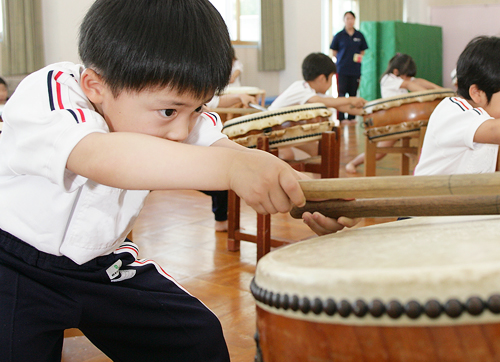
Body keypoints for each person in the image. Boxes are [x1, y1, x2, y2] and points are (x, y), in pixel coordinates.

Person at [0, 1, 356, 361]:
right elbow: (99, 156)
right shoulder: (51, 93)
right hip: (13, 265)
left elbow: (232, 153)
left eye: (198, 109)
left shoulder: (175, 115)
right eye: (169, 111)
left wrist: (309, 195)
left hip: (101, 267)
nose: (182, 129)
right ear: (96, 85)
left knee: (196, 339)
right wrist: (232, 169)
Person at [415, 36, 500, 176]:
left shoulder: (488, 117)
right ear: (477, 93)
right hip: (431, 196)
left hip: (465, 195)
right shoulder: (453, 111)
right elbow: (495, 131)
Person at [346, 53, 443, 174]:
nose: (409, 79)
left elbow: (418, 81)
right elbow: (409, 84)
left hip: (402, 120)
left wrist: (439, 90)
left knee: (424, 139)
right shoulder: (388, 79)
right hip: (390, 121)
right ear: (396, 72)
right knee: (379, 153)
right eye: (406, 76)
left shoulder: (403, 78)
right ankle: (352, 163)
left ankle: (418, 157)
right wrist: (429, 95)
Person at [269, 52, 366, 160]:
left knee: (318, 152)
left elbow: (339, 105)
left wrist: (366, 111)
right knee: (287, 155)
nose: (330, 84)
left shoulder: (311, 91)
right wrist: (351, 99)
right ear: (322, 79)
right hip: (270, 130)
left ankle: (320, 177)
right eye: (331, 79)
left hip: (285, 131)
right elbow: (322, 101)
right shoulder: (301, 89)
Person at [330, 11, 368, 123]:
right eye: (347, 18)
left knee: (353, 94)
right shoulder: (339, 35)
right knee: (341, 94)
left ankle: (351, 117)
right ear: (344, 20)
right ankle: (341, 118)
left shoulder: (359, 35)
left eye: (352, 18)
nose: (350, 21)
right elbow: (334, 52)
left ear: (354, 20)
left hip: (355, 70)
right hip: (342, 69)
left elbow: (362, 52)